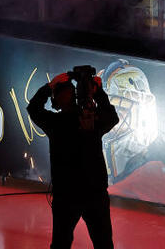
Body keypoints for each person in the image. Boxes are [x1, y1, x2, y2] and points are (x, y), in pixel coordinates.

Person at [27, 69, 119, 249]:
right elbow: (112, 117)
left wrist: (49, 86)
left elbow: (33, 108)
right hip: (91, 194)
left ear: (56, 101)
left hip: (69, 195)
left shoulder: (55, 123)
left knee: (62, 243)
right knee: (103, 243)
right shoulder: (91, 119)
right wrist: (98, 92)